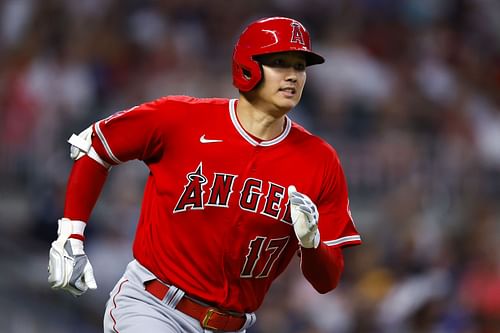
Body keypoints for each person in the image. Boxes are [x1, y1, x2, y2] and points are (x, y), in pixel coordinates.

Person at [47, 16, 362, 333]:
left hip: (234, 325)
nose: (293, 76)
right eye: (280, 63)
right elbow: (94, 147)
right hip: (153, 308)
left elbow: (327, 280)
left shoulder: (320, 161)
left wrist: (312, 243)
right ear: (248, 66)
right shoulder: (181, 119)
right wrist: (70, 236)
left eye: (300, 66)